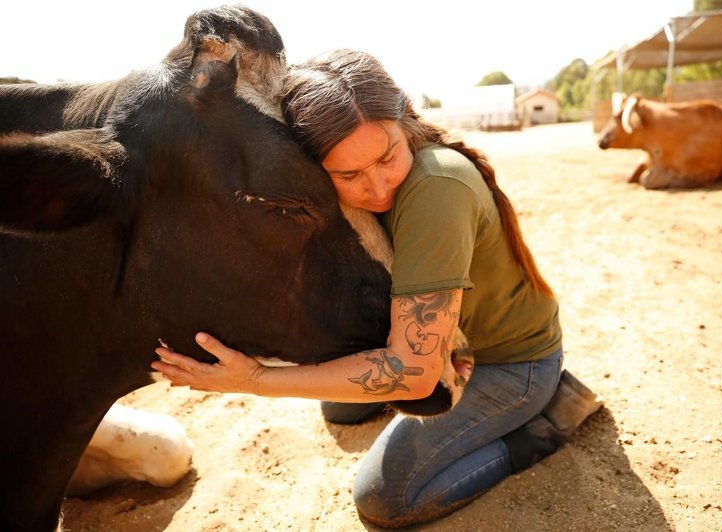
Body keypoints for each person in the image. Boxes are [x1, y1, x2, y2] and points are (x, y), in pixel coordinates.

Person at [152, 49, 600, 528]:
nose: (379, 187)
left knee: (385, 498)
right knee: (340, 405)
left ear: (404, 118)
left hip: (509, 363)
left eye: (388, 156)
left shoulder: (436, 189)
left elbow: (412, 372)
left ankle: (545, 420)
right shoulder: (337, 184)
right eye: (348, 175)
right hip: (445, 347)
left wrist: (255, 380)